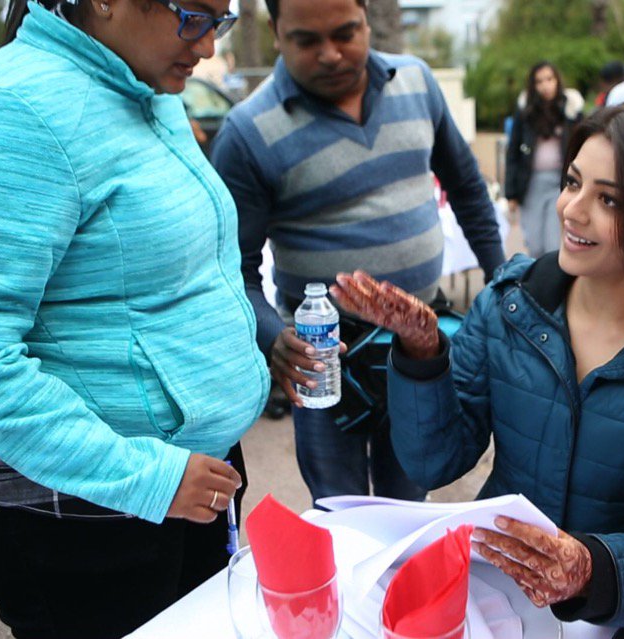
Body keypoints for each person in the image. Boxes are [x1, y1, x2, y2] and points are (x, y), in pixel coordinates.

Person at [0, 0, 269, 636]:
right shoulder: (8, 109)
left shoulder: (147, 85)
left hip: (184, 478)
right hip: (80, 514)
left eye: (222, 20)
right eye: (194, 17)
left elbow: (179, 274)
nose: (208, 46)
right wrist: (146, 478)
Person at [332, 102, 624, 626]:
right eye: (572, 182)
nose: (571, 209)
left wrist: (589, 568)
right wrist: (422, 356)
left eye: (608, 199)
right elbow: (434, 464)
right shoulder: (510, 303)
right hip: (497, 592)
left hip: (623, 611)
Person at [209, 0, 505, 503]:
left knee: (408, 505)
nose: (331, 54)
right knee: (340, 514)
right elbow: (229, 270)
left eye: (346, 33)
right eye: (307, 40)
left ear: (367, 18)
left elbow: (469, 190)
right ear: (275, 32)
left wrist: (503, 289)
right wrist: (272, 336)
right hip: (325, 362)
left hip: (416, 353)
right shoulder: (248, 131)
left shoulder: (417, 83)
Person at [504, 61, 581, 258]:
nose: (545, 85)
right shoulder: (525, 112)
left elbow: (582, 146)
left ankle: (552, 285)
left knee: (552, 244)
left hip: (560, 182)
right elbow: (513, 151)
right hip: (531, 183)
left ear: (557, 80)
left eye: (549, 79)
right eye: (539, 81)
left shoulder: (570, 110)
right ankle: (539, 282)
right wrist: (511, 193)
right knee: (535, 244)